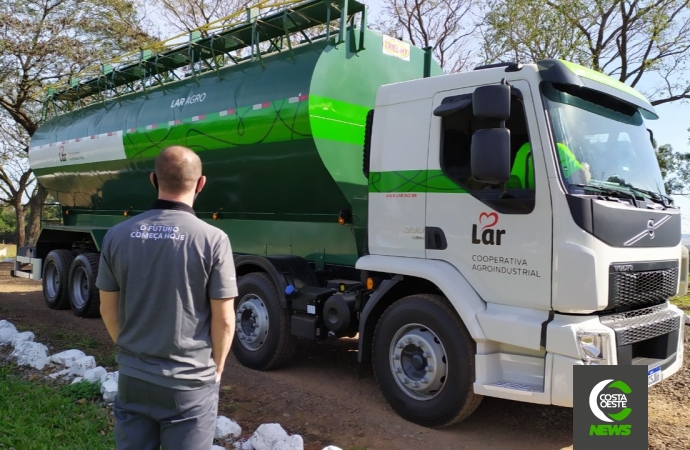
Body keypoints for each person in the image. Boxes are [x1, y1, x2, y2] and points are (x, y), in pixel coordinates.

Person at [96, 145, 237, 450]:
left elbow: (107, 309)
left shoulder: (116, 235)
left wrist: (134, 352)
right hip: (189, 385)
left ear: (153, 180)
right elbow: (225, 321)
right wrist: (218, 366)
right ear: (201, 183)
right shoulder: (213, 240)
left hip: (133, 378)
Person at [509, 141, 591, 189]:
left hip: (523, 202)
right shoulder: (559, 148)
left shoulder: (524, 147)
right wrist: (585, 168)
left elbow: (514, 182)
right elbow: (581, 178)